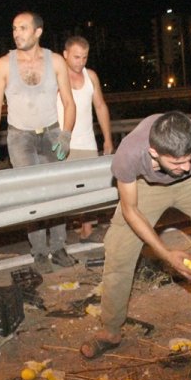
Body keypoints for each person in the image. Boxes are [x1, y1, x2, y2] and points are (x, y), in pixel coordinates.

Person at [79, 111, 191, 367]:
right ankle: (111, 330)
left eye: (188, 159)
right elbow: (130, 210)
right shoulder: (129, 154)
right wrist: (166, 253)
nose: (184, 167)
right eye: (177, 162)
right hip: (149, 186)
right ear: (153, 152)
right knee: (119, 247)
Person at [0, 11, 76, 274]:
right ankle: (39, 252)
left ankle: (58, 247)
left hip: (51, 133)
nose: (17, 34)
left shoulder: (56, 61)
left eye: (23, 28)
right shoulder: (3, 64)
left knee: (58, 192)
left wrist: (66, 135)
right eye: (14, 28)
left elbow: (68, 102)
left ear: (38, 32)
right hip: (19, 136)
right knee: (31, 195)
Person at [56, 35, 114, 244]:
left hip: (87, 142)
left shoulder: (91, 77)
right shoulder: (56, 77)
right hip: (63, 144)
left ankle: (87, 230)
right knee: (64, 191)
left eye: (84, 57)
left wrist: (107, 139)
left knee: (91, 189)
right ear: (65, 55)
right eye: (76, 57)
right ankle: (60, 235)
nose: (80, 62)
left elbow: (100, 106)